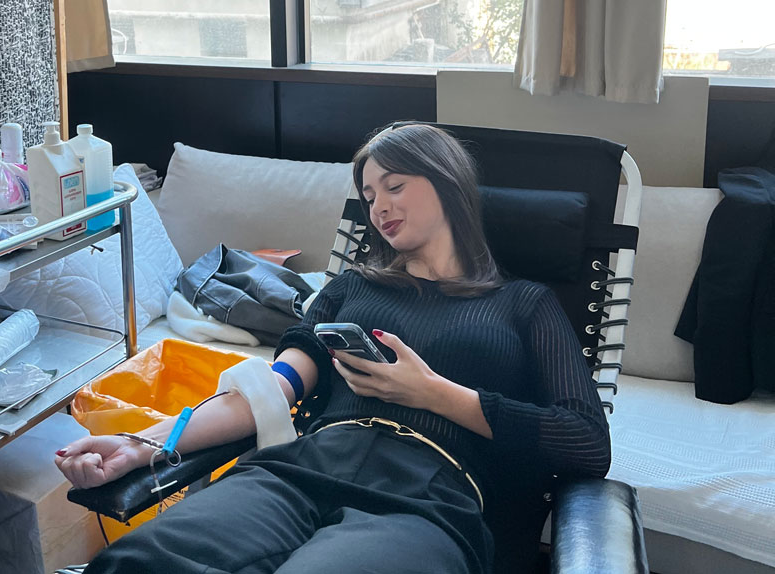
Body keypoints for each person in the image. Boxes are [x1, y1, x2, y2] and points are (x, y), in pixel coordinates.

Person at [56, 124, 611, 574]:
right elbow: (271, 390)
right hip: (301, 469)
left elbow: (586, 442)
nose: (379, 207)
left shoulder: (524, 304)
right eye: (369, 196)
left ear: (447, 182)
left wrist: (432, 393)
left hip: (428, 496)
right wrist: (140, 444)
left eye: (395, 186)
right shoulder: (350, 289)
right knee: (138, 561)